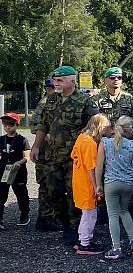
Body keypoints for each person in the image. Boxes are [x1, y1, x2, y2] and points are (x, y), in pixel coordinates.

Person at [31, 66, 101, 245]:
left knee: (74, 194)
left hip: (75, 159)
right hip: (54, 156)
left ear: (72, 81)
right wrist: (36, 146)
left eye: (60, 80)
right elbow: (43, 125)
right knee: (53, 192)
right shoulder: (51, 100)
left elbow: (96, 129)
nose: (56, 83)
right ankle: (64, 223)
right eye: (55, 80)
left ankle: (74, 228)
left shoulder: (85, 102)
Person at [95, 116, 133, 259]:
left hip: (111, 183)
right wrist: (131, 180)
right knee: (124, 211)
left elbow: (99, 166)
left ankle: (116, 248)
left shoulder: (105, 143)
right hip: (127, 184)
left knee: (113, 215)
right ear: (131, 130)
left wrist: (98, 185)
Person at [70, 114, 112, 254]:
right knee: (90, 214)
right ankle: (85, 244)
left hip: (78, 181)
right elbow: (91, 168)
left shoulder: (81, 137)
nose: (108, 130)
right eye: (106, 127)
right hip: (87, 183)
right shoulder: (90, 143)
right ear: (100, 128)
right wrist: (97, 187)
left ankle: (82, 239)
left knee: (85, 213)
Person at [33, 78, 58, 231]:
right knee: (46, 184)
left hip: (51, 151)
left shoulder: (53, 101)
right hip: (45, 152)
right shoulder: (44, 104)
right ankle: (45, 218)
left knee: (51, 184)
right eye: (51, 87)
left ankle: (47, 217)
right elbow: (36, 127)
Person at [0, 113, 30, 229]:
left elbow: (27, 157)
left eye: (11, 125)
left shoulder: (22, 140)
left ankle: (24, 215)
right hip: (3, 171)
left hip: (18, 172)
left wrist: (19, 162)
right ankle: (0, 219)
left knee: (21, 194)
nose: (8, 127)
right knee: (1, 195)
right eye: (5, 125)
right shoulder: (1, 139)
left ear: (17, 125)